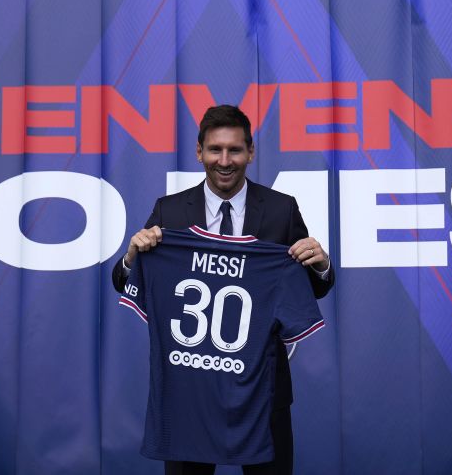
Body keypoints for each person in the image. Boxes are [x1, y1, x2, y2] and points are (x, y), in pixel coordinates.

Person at [112, 104, 334, 475]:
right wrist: (132, 257)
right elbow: (126, 282)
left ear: (250, 152)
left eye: (234, 150)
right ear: (199, 152)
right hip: (189, 392)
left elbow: (311, 288)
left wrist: (321, 264)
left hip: (264, 389)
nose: (225, 160)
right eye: (215, 149)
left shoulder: (281, 210)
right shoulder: (170, 212)